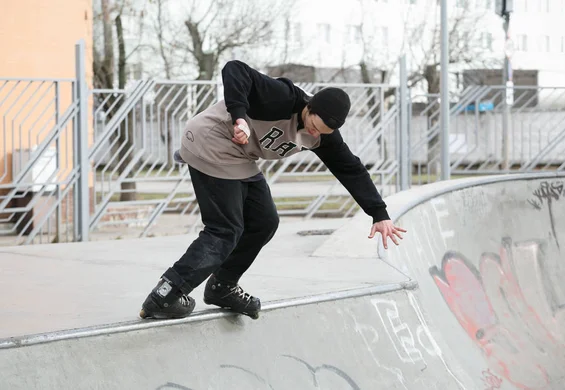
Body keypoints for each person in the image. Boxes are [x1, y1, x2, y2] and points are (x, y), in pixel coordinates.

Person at [139, 60, 407, 320]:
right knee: (225, 230)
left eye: (321, 134)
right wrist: (240, 117)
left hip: (239, 158)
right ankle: (166, 294)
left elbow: (350, 168)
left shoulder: (322, 137)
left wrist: (378, 213)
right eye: (314, 126)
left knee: (264, 221)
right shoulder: (282, 97)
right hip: (211, 140)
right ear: (309, 107)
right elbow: (235, 69)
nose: (314, 135)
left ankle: (222, 286)